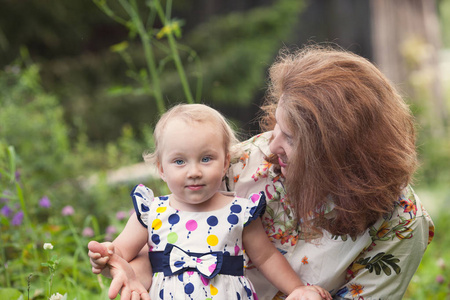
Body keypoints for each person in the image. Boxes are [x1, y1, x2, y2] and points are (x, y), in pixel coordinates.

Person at [93, 45, 435, 300]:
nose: (270, 147)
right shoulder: (246, 165)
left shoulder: (401, 225)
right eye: (276, 127)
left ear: (335, 155)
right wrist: (131, 274)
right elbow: (163, 243)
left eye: (290, 138)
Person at [88, 103, 331, 300]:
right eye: (179, 162)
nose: (194, 171)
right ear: (161, 168)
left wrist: (297, 289)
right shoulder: (152, 212)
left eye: (206, 159)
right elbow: (120, 251)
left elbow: (266, 257)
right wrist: (106, 254)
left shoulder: (239, 211)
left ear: (225, 163)